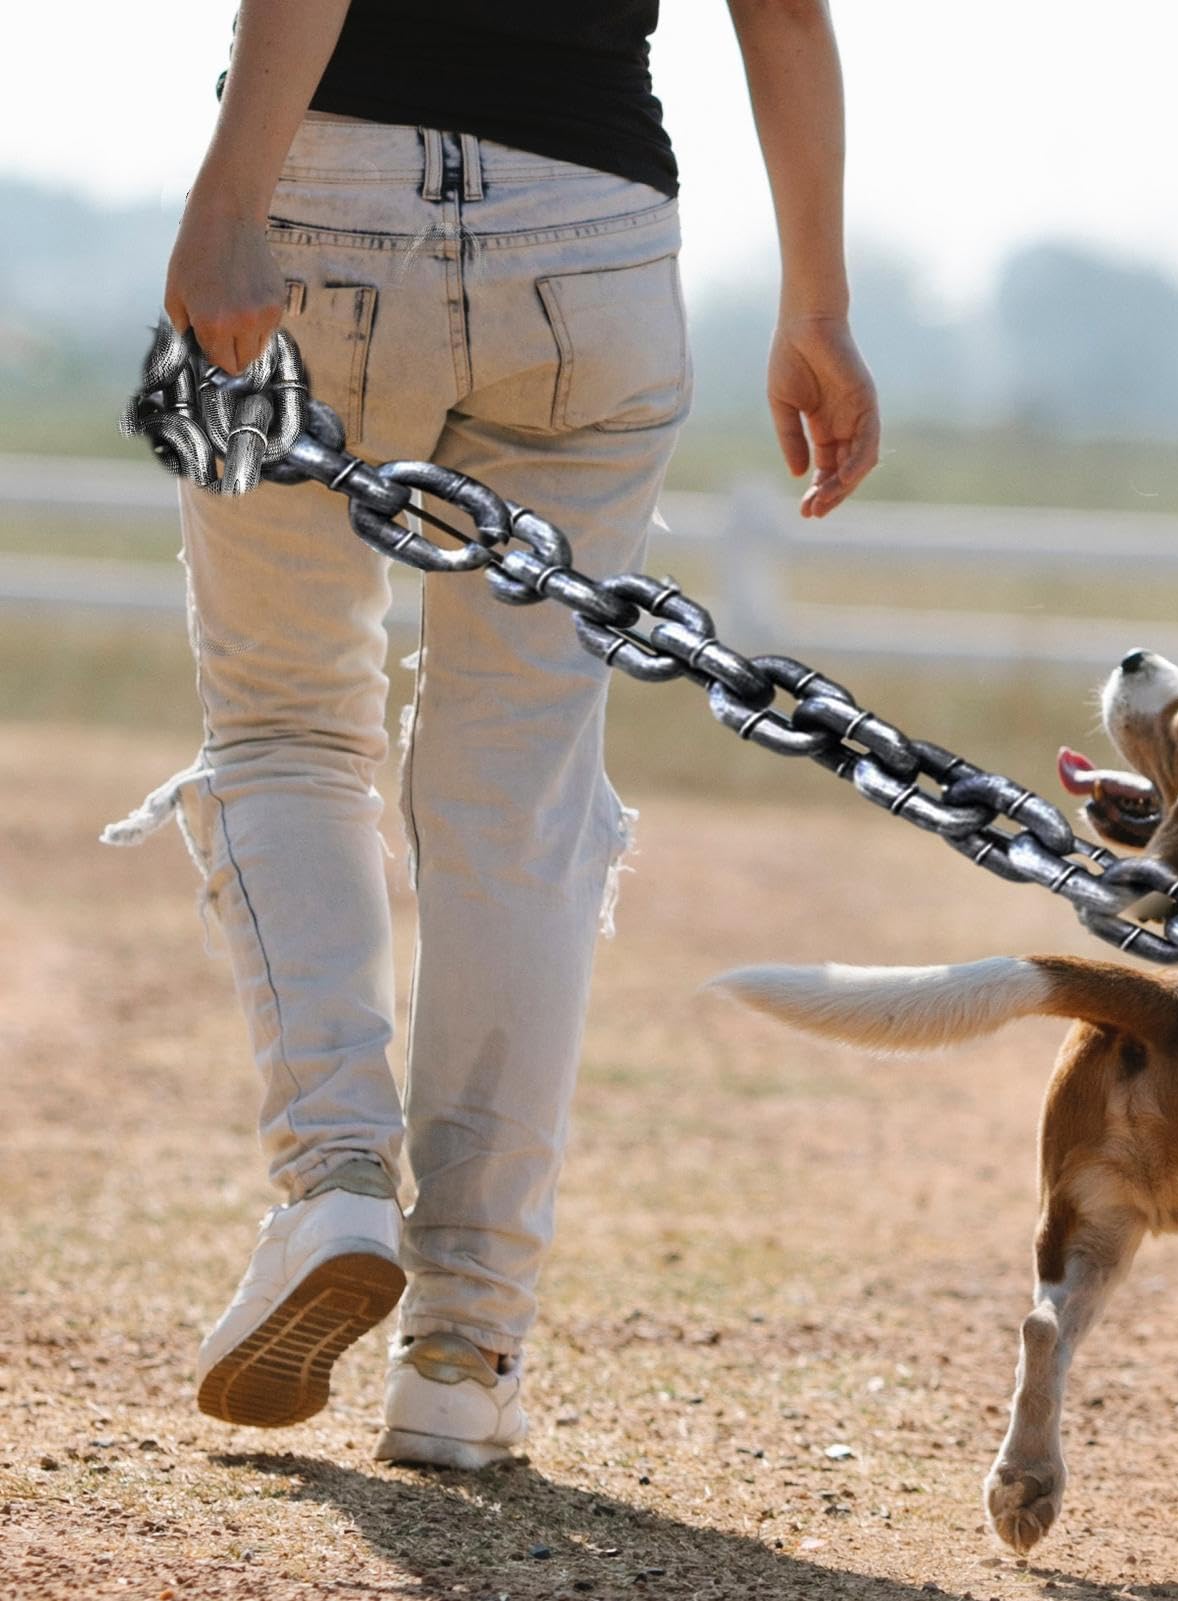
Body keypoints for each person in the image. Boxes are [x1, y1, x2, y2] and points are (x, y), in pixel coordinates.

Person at [108, 0, 879, 1469]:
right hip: (595, 247)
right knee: (515, 792)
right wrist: (817, 307)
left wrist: (223, 199)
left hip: (313, 197)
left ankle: (332, 1180)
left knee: (282, 724)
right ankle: (465, 1342)